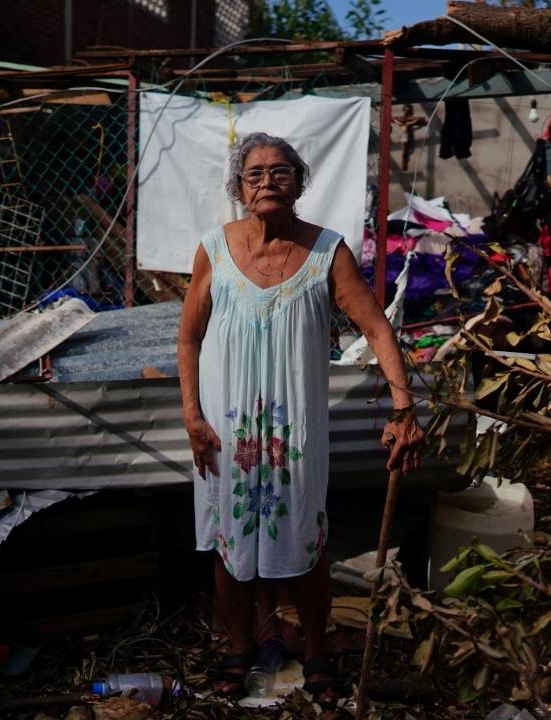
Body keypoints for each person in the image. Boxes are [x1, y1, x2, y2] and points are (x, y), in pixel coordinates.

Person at [177, 132, 424, 705]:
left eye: (280, 171)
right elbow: (188, 337)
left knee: (307, 543)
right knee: (226, 541)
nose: (267, 181)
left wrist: (404, 404)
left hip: (294, 435)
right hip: (226, 429)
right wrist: (191, 414)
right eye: (255, 174)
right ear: (238, 188)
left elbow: (377, 328)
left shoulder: (326, 252)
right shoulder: (214, 249)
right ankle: (238, 648)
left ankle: (316, 649)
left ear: (299, 182)